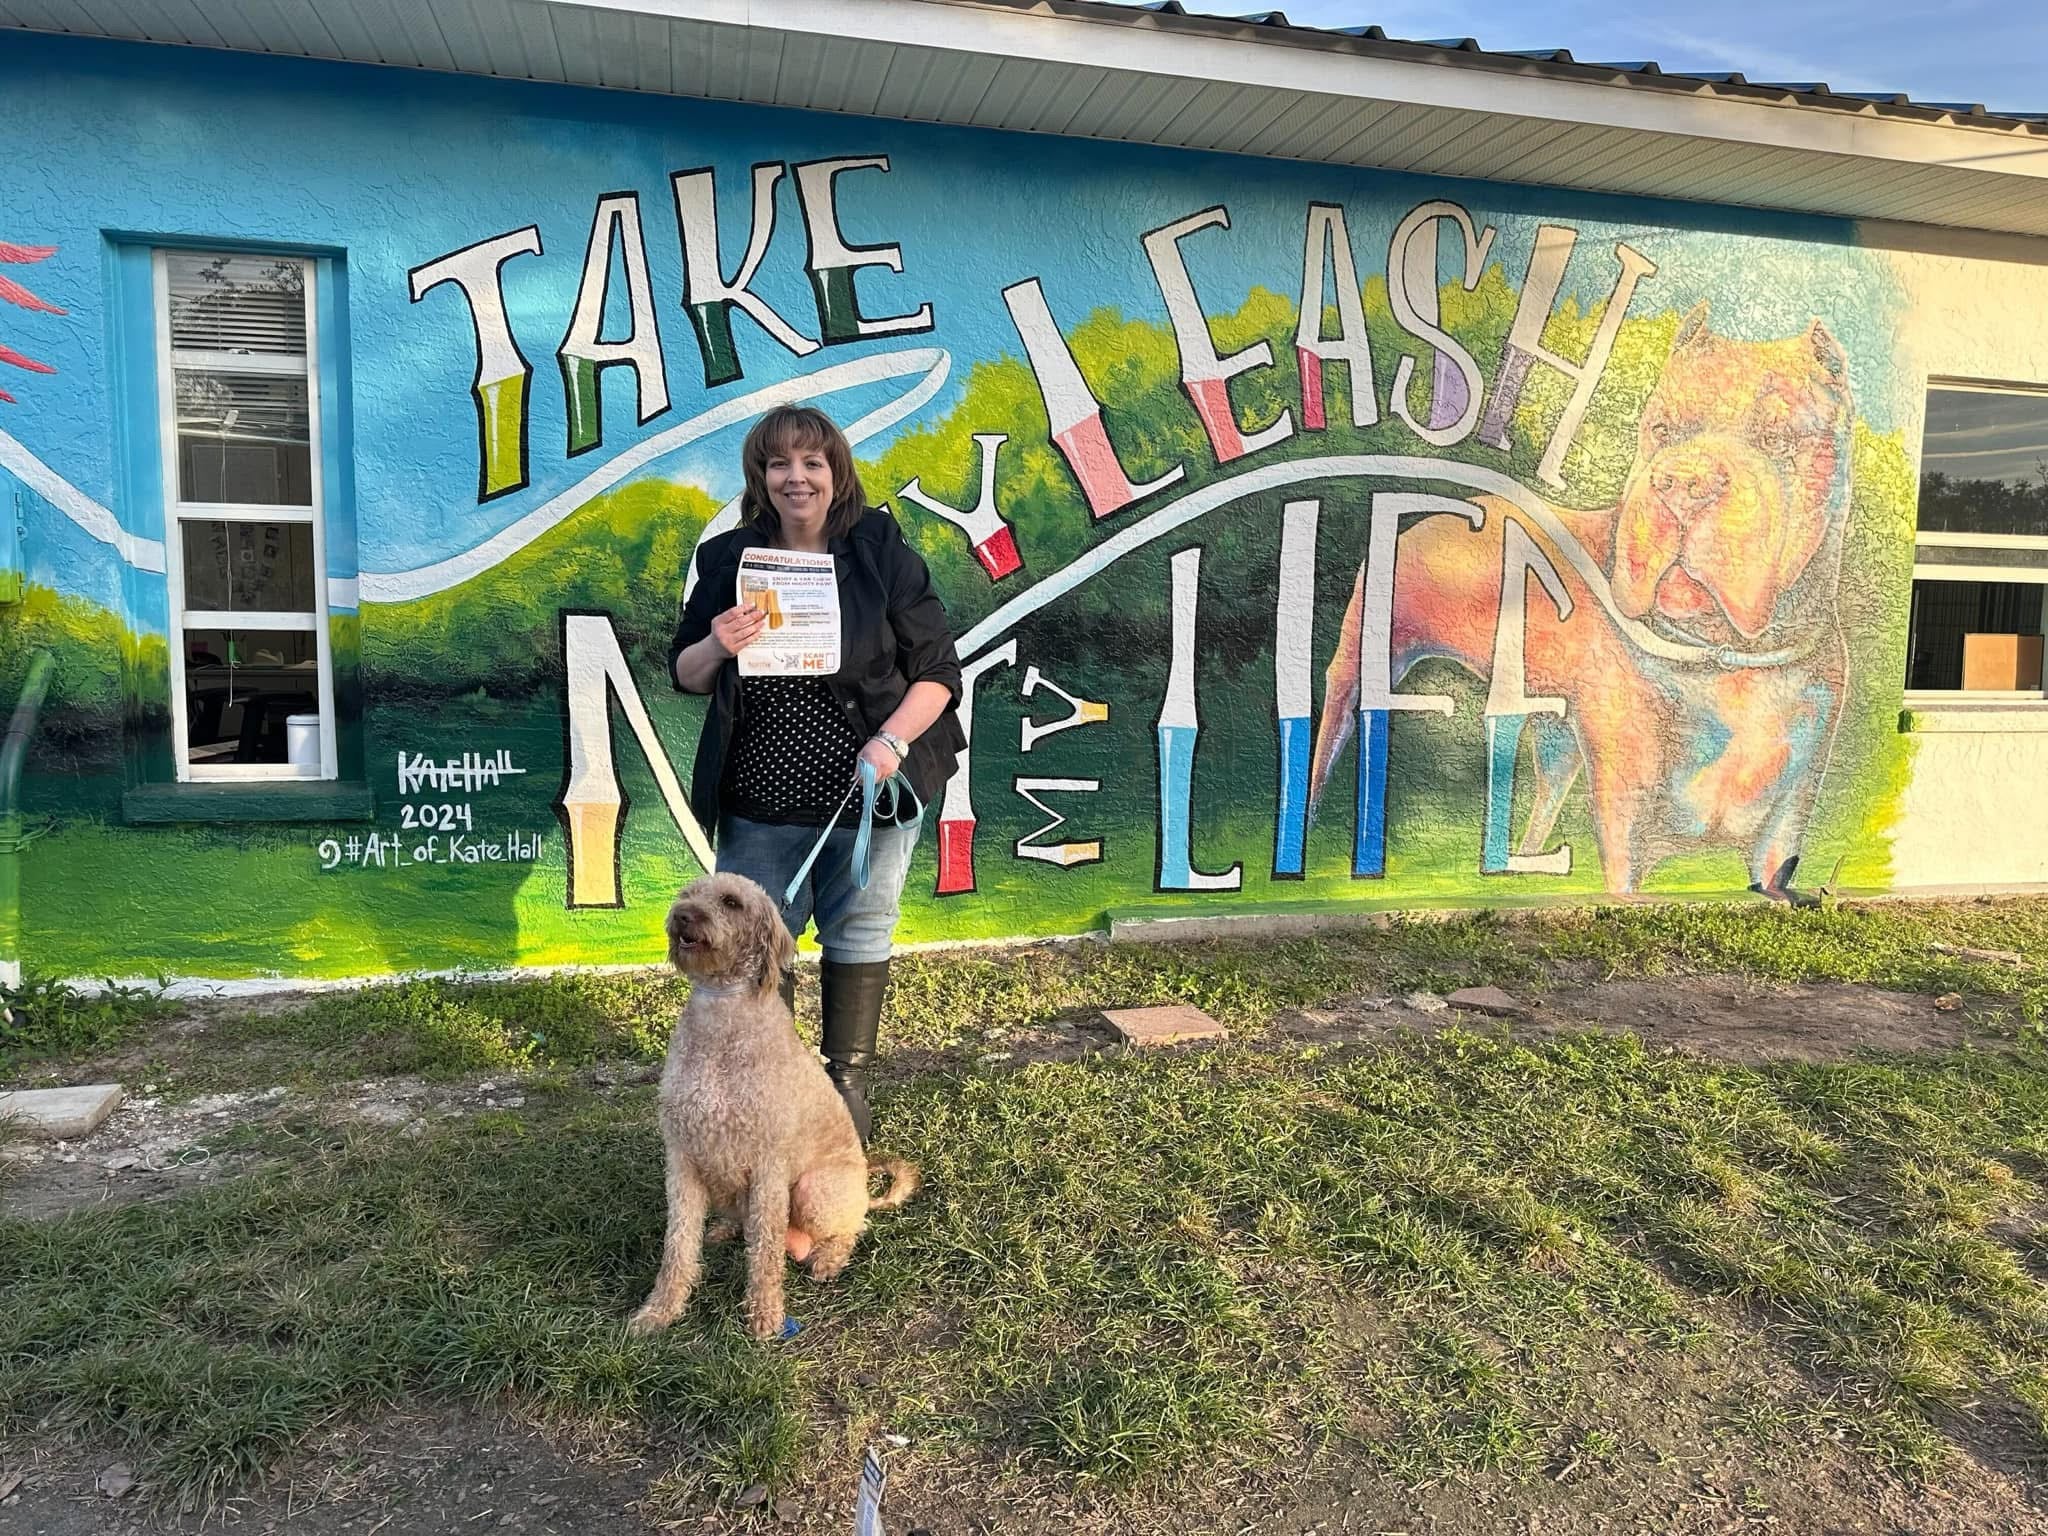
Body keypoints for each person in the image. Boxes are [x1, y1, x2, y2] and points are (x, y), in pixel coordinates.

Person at [669, 405, 965, 1144]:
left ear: (836, 474)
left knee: (860, 932)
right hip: (761, 801)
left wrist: (891, 740)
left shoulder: (879, 551)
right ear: (760, 478)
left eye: (811, 463)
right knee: (755, 952)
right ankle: (768, 1095)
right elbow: (687, 673)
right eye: (779, 464)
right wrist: (716, 639)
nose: (795, 477)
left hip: (869, 794)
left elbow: (938, 673)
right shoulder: (729, 559)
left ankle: (844, 1097)